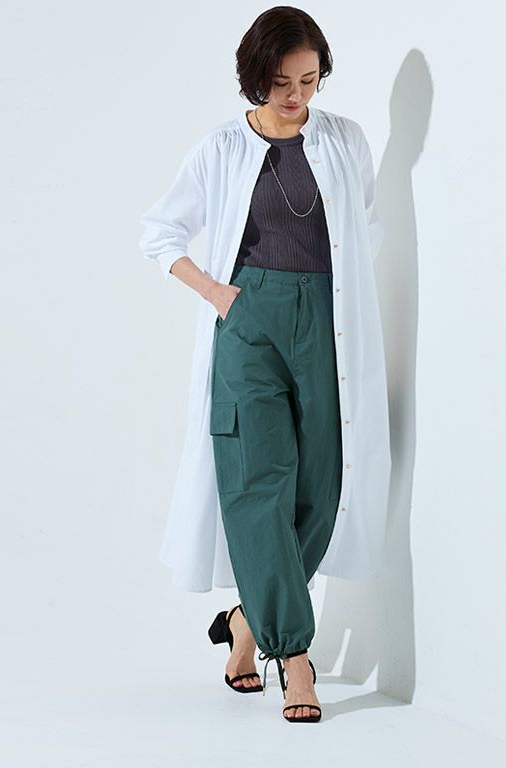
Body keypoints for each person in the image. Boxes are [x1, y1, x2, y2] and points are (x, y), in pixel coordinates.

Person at [139, 6, 391, 724]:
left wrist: (341, 301)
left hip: (328, 322)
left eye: (309, 80)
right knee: (259, 480)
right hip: (249, 320)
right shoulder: (220, 148)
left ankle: (247, 620)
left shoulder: (344, 140)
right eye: (282, 83)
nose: (296, 96)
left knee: (322, 482)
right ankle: (295, 656)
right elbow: (159, 233)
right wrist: (221, 295)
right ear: (255, 77)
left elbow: (364, 227)